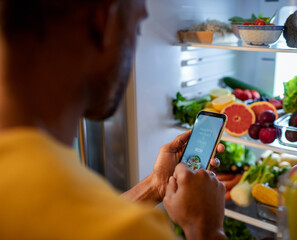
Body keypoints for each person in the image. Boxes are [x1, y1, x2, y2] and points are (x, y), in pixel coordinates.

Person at [0, 0, 227, 239]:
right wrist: (206, 228)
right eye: (137, 29)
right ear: (104, 21)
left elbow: (80, 223)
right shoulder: (135, 231)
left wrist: (156, 186)